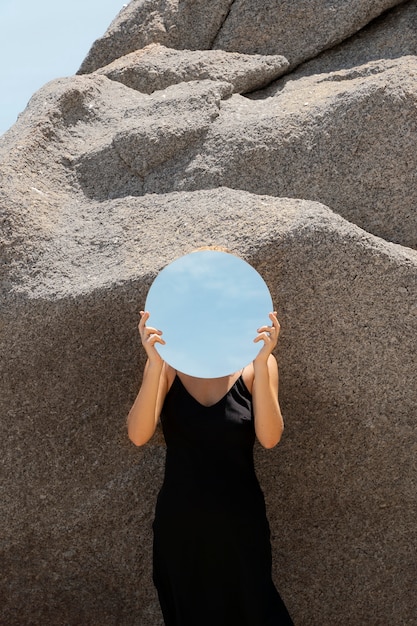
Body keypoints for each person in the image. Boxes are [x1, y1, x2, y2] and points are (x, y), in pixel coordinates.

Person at [127, 308, 294, 626]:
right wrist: (154, 364)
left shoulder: (257, 366)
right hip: (181, 524)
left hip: (240, 522)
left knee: (257, 612)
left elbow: (270, 438)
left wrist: (261, 360)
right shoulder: (167, 367)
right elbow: (137, 435)